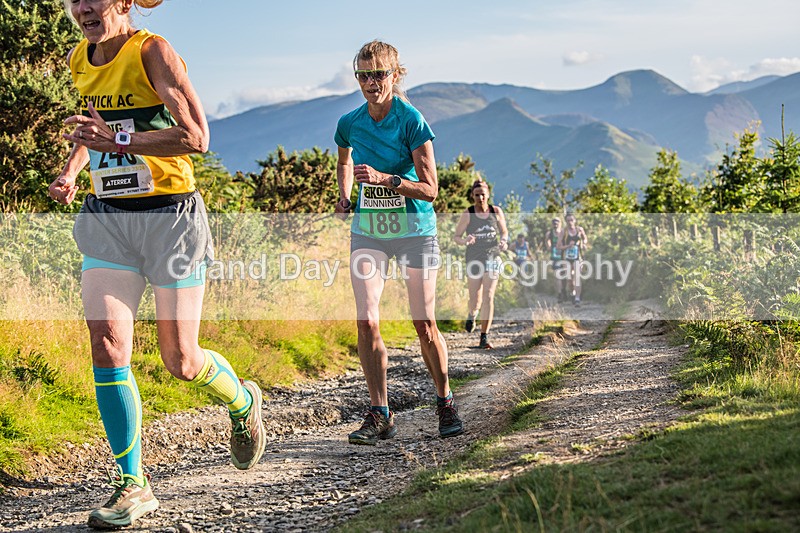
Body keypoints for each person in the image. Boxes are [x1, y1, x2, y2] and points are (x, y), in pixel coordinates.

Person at [49, 1, 265, 528]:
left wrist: (118, 140)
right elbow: (99, 130)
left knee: (181, 360)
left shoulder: (154, 51)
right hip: (108, 217)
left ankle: (242, 402)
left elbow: (196, 139)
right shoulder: (82, 57)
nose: (81, 8)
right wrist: (74, 168)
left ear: (120, 2)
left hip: (170, 216)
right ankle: (133, 484)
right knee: (106, 342)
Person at [333, 40, 463, 445]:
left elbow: (431, 190)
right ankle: (380, 413)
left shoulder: (411, 120)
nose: (371, 83)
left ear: (395, 75)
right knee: (367, 318)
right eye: (363, 75)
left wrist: (388, 179)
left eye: (379, 74)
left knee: (423, 323)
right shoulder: (349, 122)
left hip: (414, 232)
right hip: (369, 230)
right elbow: (343, 159)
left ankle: (444, 401)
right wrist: (344, 194)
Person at [454, 179, 509, 349]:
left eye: (483, 195)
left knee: (489, 295)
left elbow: (504, 231)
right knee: (475, 298)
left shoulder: (496, 211)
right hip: (474, 258)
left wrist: (504, 241)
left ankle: (484, 336)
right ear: (472, 195)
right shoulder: (468, 213)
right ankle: (472, 314)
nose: (480, 198)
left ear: (488, 195)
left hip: (493, 257)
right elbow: (456, 237)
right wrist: (465, 240)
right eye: (477, 195)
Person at [558, 212, 588, 307]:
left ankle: (577, 299)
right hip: (566, 258)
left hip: (577, 257)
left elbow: (585, 239)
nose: (570, 222)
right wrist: (568, 246)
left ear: (574, 220)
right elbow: (558, 246)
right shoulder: (564, 232)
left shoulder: (579, 230)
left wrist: (583, 244)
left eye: (571, 220)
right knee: (570, 279)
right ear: (565, 222)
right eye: (568, 221)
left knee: (577, 277)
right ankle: (573, 293)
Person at [545, 216, 565, 301]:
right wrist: (549, 246)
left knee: (566, 275)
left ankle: (564, 291)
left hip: (565, 256)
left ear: (560, 223)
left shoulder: (564, 232)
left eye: (557, 222)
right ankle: (560, 294)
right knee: (558, 276)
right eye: (554, 223)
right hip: (555, 256)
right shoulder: (550, 233)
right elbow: (546, 240)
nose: (555, 224)